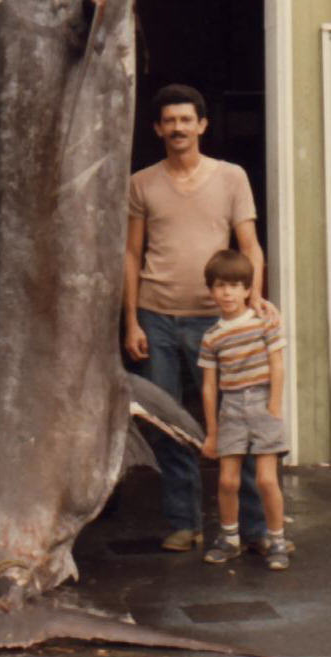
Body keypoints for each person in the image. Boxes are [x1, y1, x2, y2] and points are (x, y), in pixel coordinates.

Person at [123, 83, 274, 553]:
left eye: (186, 119)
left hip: (220, 320)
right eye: (169, 121)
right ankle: (184, 524)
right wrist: (131, 321)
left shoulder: (231, 177)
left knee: (237, 421)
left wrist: (254, 303)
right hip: (158, 317)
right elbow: (131, 254)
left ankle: (251, 530)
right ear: (157, 129)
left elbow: (249, 246)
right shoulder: (142, 183)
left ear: (202, 125)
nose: (178, 128)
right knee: (168, 423)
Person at [198, 249, 290, 571]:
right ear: (211, 290)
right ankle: (229, 538)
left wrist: (274, 405)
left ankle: (276, 539)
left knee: (266, 479)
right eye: (220, 285)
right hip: (232, 407)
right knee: (227, 481)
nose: (227, 292)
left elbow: (277, 365)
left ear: (248, 289)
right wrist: (212, 430)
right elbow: (210, 386)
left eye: (235, 285)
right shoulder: (211, 337)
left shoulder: (264, 323)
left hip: (263, 401)